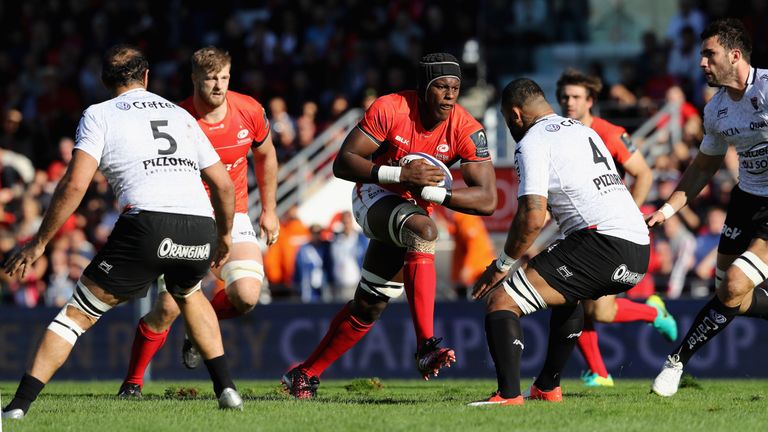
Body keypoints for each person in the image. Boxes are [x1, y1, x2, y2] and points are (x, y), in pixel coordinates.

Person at [1, 45, 241, 420]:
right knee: (189, 292)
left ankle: (17, 407)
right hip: (200, 223)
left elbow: (75, 185)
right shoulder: (180, 114)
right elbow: (225, 187)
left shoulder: (99, 114)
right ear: (146, 77)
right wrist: (224, 237)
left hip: (147, 223)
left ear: (103, 81)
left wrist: (39, 242)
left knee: (76, 314)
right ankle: (227, 389)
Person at [282, 53, 498, 398]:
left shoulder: (466, 127)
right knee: (425, 230)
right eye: (441, 86)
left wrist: (436, 193)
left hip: (412, 208)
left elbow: (488, 199)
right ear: (423, 88)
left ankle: (303, 375)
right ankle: (426, 345)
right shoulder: (391, 108)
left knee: (370, 304)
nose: (449, 95)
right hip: (374, 195)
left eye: (455, 88)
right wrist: (399, 174)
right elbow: (344, 162)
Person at [468, 78, 650, 406]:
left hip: (602, 242)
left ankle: (508, 395)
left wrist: (502, 265)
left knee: (501, 302)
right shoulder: (584, 130)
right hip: (638, 249)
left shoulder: (533, 141)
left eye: (509, 122)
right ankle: (547, 387)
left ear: (515, 115)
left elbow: (532, 216)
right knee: (567, 298)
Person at [117, 46, 278, 397]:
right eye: (210, 79)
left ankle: (196, 331)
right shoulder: (176, 118)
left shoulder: (249, 110)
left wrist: (269, 209)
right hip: (187, 216)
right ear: (194, 79)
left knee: (248, 296)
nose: (218, 86)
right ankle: (133, 382)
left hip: (233, 216)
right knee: (167, 309)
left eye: (223, 77)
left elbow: (266, 155)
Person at [649, 18, 768, 397]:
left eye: (708, 54)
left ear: (734, 56)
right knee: (731, 294)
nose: (702, 63)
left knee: (734, 284)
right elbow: (703, 167)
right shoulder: (716, 110)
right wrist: (667, 211)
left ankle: (676, 361)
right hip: (745, 200)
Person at [556, 69, 677, 387]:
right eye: (565, 97)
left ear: (591, 101)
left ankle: (653, 314)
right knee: (577, 300)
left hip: (608, 232)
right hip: (578, 228)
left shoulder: (610, 134)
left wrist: (630, 215)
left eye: (576, 97)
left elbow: (644, 174)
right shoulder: (558, 135)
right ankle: (598, 372)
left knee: (599, 309)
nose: (569, 103)